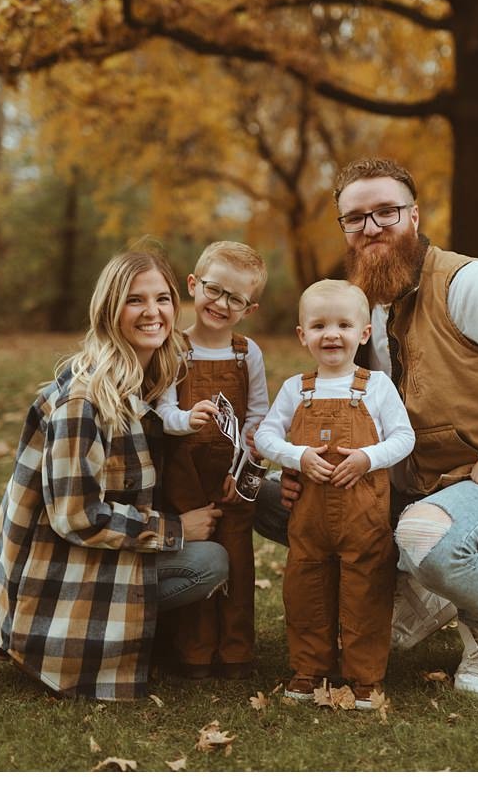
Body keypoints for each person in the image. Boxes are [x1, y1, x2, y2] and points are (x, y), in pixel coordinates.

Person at [261, 158, 478, 699]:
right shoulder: (358, 303)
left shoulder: (466, 282)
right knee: (273, 502)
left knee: (424, 535)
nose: (371, 228)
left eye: (385, 212)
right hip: (408, 486)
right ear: (344, 228)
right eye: (355, 218)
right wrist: (300, 465)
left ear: (413, 216)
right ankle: (417, 584)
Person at [0, 249, 228, 700]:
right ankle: (83, 642)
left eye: (163, 299)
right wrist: (175, 529)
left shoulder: (141, 381)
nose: (153, 312)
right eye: (135, 300)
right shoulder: (86, 401)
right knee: (207, 563)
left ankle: (144, 635)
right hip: (55, 578)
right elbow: (77, 517)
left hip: (82, 554)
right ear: (109, 309)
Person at [254, 280, 415, 708]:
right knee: (306, 591)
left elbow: (404, 438)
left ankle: (365, 676)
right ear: (302, 334)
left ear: (363, 333)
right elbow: (266, 437)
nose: (332, 334)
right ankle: (308, 670)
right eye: (319, 325)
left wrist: (368, 458)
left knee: (365, 593)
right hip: (307, 519)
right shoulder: (296, 388)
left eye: (344, 324)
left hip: (364, 516)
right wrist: (297, 455)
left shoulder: (376, 386)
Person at [154, 240, 271, 679]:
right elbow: (163, 414)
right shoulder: (174, 348)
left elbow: (258, 417)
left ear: (249, 307)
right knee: (199, 551)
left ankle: (237, 652)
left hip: (231, 478)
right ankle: (195, 653)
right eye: (214, 290)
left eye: (235, 298)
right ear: (192, 284)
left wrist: (244, 470)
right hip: (185, 476)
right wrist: (188, 418)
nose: (221, 304)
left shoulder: (247, 353)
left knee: (238, 561)